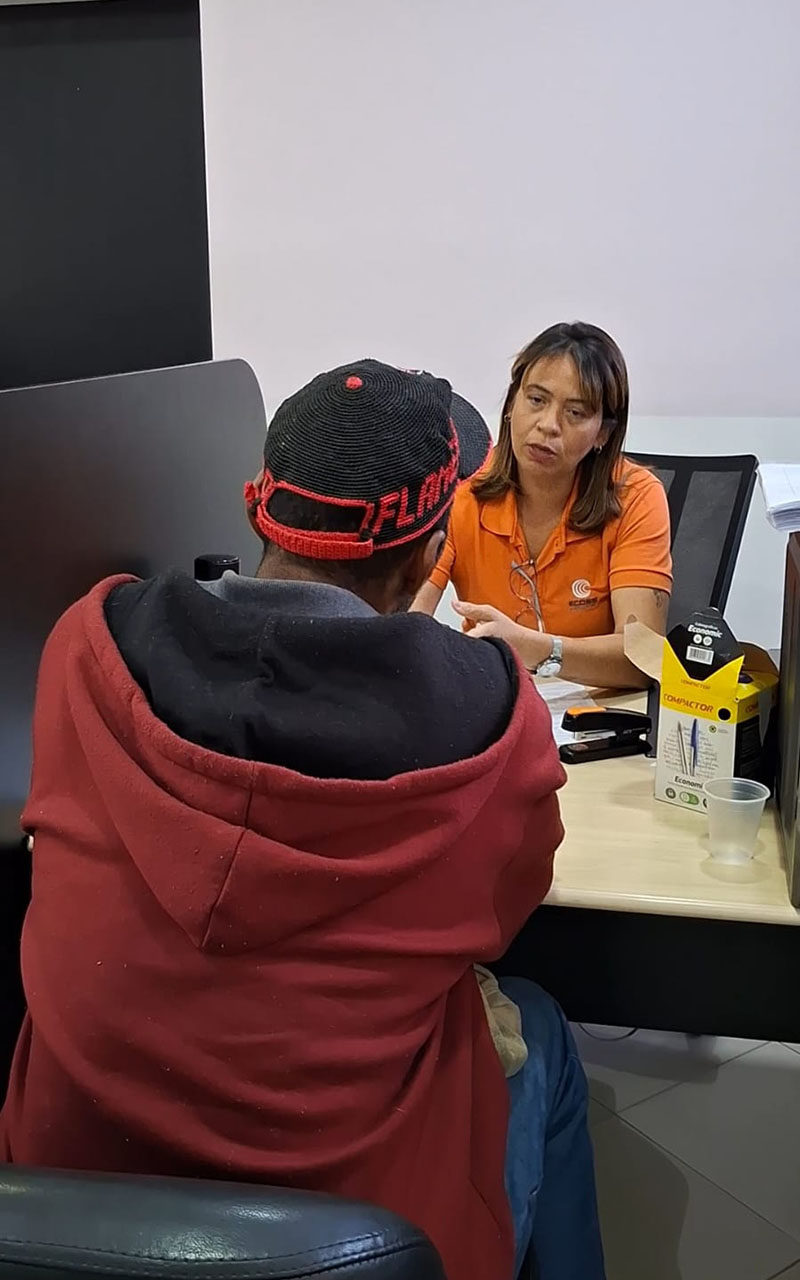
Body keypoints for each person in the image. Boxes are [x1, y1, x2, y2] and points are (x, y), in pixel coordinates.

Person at [0, 360, 605, 1280]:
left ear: (258, 507)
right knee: (543, 1028)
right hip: (362, 1236)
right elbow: (512, 899)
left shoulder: (88, 645)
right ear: (427, 553)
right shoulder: (491, 713)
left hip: (67, 1213)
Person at [413, 322, 673, 688]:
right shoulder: (463, 489)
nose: (548, 425)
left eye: (575, 413)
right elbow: (408, 620)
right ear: (511, 404)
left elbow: (643, 661)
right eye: (536, 400)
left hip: (596, 712)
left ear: (603, 432)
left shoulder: (636, 497)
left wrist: (536, 648)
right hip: (495, 699)